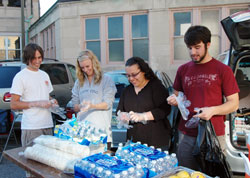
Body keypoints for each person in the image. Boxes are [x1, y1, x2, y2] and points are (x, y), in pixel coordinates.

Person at [167, 25, 239, 170]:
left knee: (212, 172)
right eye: (189, 48)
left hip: (213, 134)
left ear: (208, 44)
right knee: (185, 172)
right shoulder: (183, 70)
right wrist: (173, 100)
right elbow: (176, 95)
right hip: (186, 134)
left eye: (197, 47)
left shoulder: (223, 70)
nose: (193, 52)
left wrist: (212, 110)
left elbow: (234, 104)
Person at [116, 57, 171, 150]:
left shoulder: (156, 87)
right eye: (128, 76)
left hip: (156, 142)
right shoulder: (127, 90)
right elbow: (119, 109)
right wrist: (122, 116)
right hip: (134, 141)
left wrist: (143, 116)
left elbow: (164, 110)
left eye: (134, 75)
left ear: (144, 71)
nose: (131, 79)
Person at [10, 43, 56, 147]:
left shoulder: (44, 75)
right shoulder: (20, 77)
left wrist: (52, 101)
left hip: (48, 125)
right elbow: (14, 104)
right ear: (27, 58)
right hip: (32, 127)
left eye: (39, 57)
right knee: (31, 162)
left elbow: (46, 96)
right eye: (33, 58)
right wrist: (37, 103)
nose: (37, 61)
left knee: (47, 160)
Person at [71, 49, 116, 150]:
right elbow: (75, 107)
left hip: (102, 133)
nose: (85, 70)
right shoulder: (79, 82)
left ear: (94, 63)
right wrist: (81, 106)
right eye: (82, 68)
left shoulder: (106, 79)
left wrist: (92, 106)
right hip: (83, 135)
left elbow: (107, 103)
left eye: (88, 66)